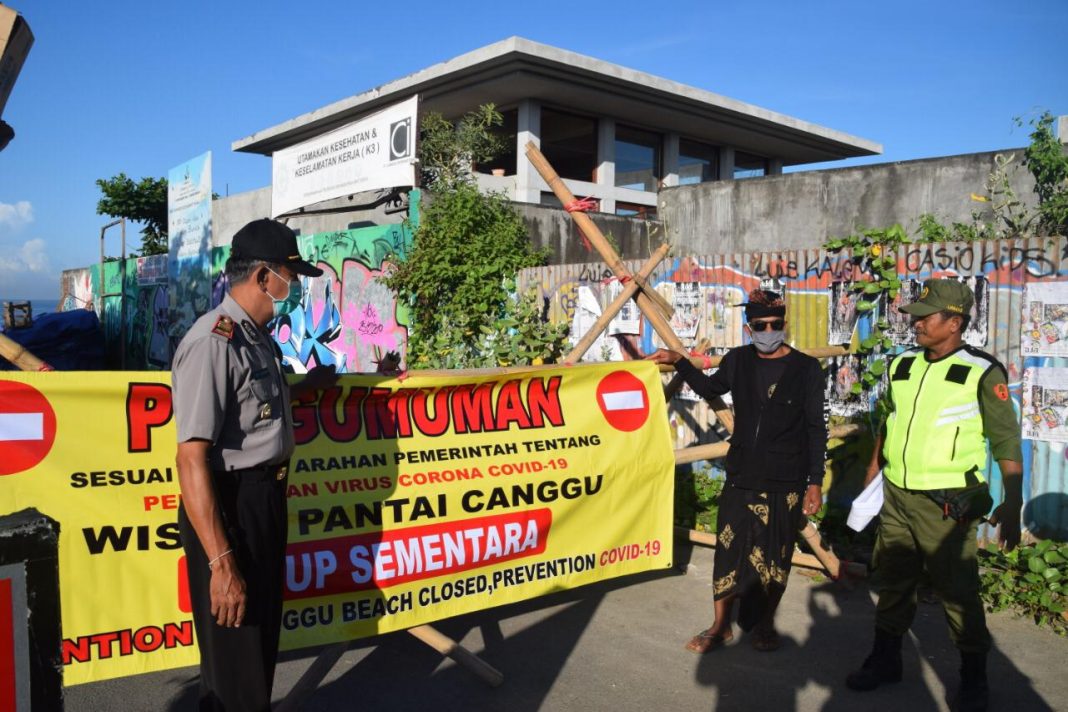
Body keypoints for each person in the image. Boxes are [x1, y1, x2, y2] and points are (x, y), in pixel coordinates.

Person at [173, 218, 337, 711]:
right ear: (265, 276)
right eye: (292, 276)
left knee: (257, 645)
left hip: (263, 500)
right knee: (236, 657)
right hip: (230, 508)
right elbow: (190, 457)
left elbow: (258, 403)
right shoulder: (213, 342)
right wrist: (221, 562)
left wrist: (311, 385)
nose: (295, 288)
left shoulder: (255, 337)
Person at [846, 279, 1023, 712]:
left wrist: (1013, 502)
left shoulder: (982, 371)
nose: (918, 324)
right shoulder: (902, 364)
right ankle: (885, 660)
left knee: (957, 592)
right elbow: (890, 420)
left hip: (947, 504)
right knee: (893, 581)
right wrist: (874, 470)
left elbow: (1005, 441)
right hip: (898, 496)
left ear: (954, 322)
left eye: (927, 317)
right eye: (918, 316)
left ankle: (974, 680)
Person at [646, 288, 827, 653]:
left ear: (784, 325)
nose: (768, 331)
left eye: (775, 324)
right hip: (742, 473)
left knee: (776, 554)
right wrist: (680, 361)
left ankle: (765, 623)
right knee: (728, 548)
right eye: (760, 325)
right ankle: (720, 625)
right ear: (749, 329)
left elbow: (815, 428)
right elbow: (709, 387)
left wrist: (815, 482)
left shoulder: (806, 369)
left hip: (785, 479)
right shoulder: (738, 360)